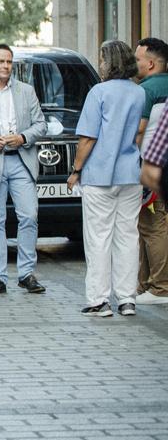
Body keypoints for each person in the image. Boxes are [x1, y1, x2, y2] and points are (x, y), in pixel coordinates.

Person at [68, 40, 146, 318]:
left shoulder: (98, 92)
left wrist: (76, 170)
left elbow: (88, 138)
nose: (99, 63)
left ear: (109, 62)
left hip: (99, 174)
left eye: (101, 59)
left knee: (98, 237)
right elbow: (138, 133)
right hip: (130, 173)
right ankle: (127, 299)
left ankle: (99, 300)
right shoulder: (138, 93)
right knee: (127, 236)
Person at [0, 44, 48, 296]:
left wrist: (22, 137)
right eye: (0, 61)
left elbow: (41, 125)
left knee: (29, 216)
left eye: (9, 62)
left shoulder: (26, 91)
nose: (6, 66)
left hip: (22, 160)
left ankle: (26, 273)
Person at [133, 37, 168, 305]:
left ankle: (159, 287)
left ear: (152, 63)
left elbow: (140, 130)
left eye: (138, 59)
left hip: (152, 168)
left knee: (152, 226)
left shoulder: (146, 90)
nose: (135, 64)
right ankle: (145, 284)